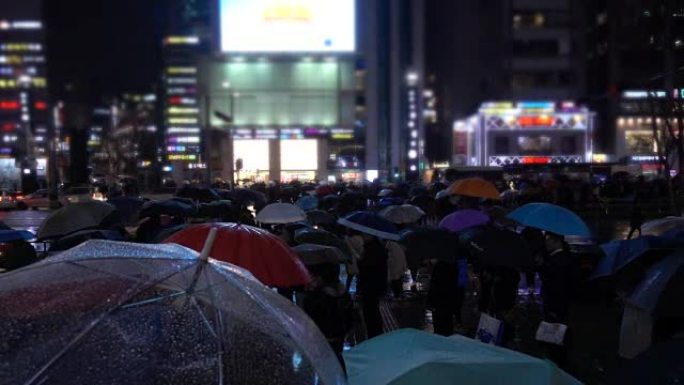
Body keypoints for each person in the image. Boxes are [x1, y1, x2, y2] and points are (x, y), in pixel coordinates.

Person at [300, 262, 353, 372]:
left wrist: (308, 293)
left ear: (321, 277)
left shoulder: (319, 296)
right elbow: (350, 316)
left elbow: (310, 316)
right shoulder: (343, 293)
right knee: (337, 359)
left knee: (323, 366)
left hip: (322, 337)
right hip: (339, 335)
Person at [539, 231, 580, 367]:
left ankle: (557, 362)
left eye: (548, 240)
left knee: (554, 337)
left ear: (556, 241)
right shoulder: (566, 258)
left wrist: (552, 308)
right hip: (562, 306)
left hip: (555, 306)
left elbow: (556, 287)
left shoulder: (557, 261)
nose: (546, 243)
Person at [356, 232, 389, 338]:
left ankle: (374, 334)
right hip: (373, 285)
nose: (362, 237)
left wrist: (359, 257)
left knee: (371, 312)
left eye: (364, 235)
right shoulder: (375, 248)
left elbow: (366, 266)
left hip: (371, 286)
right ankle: (375, 333)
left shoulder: (373, 249)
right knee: (372, 310)